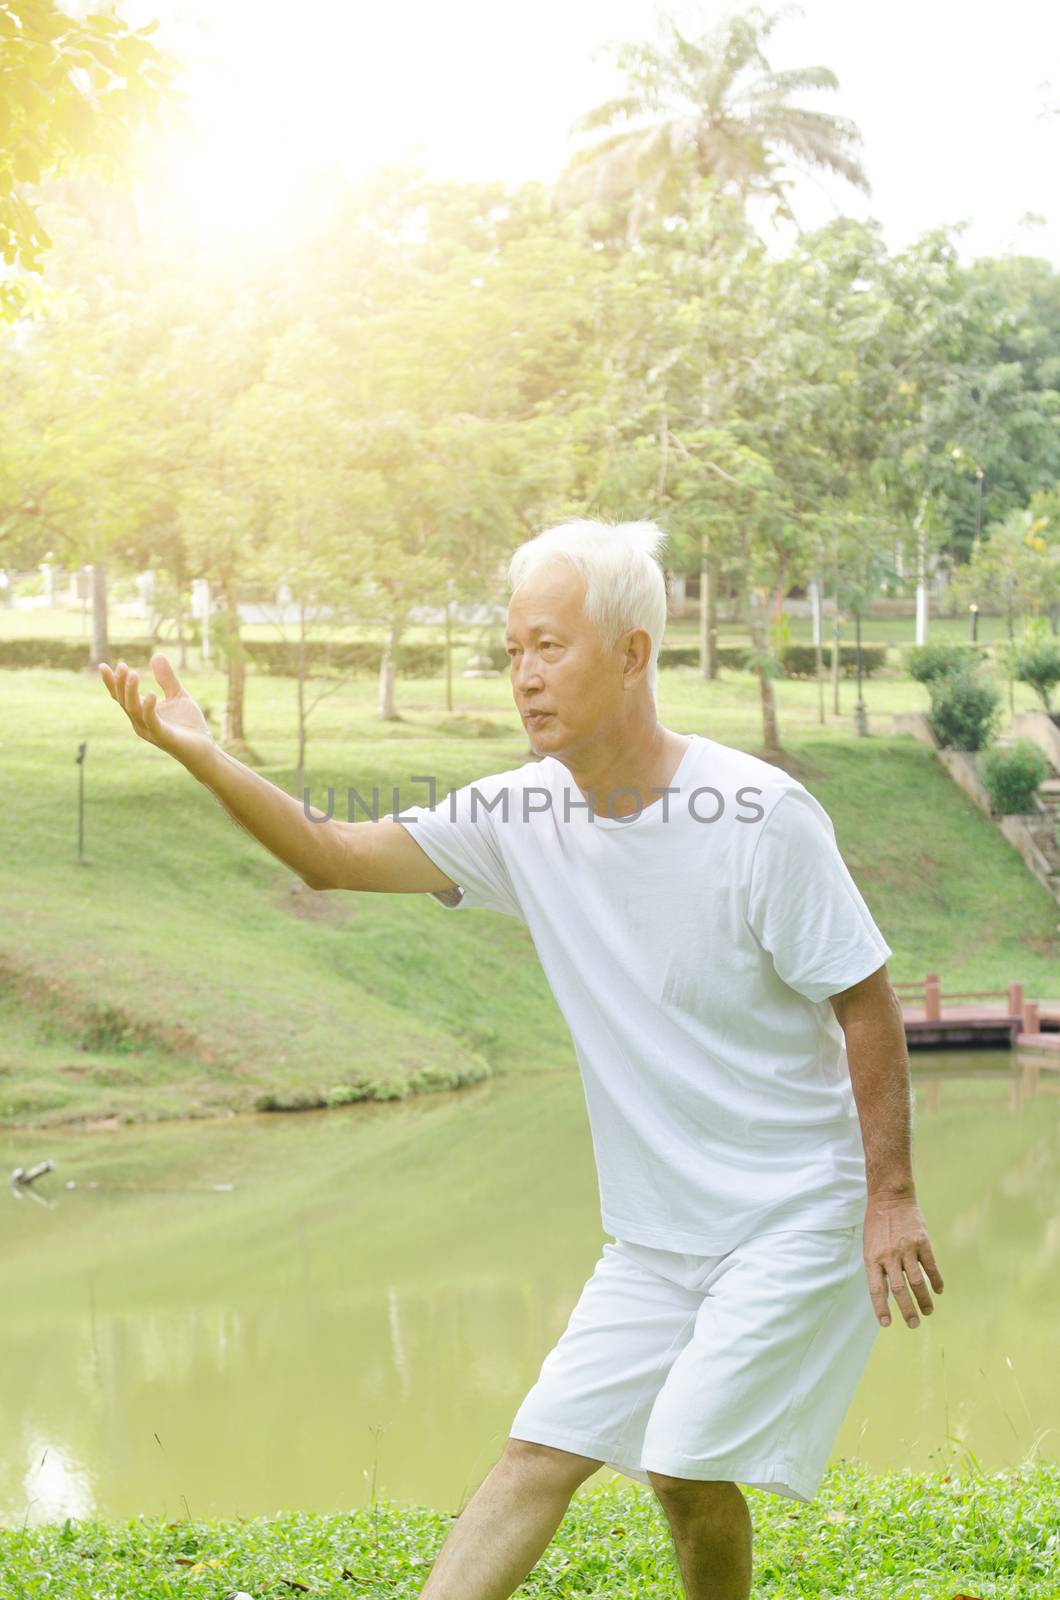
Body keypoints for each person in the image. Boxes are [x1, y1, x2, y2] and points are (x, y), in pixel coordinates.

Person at [100, 518, 943, 1600]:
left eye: (548, 646)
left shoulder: (759, 816)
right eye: (511, 652)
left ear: (633, 654)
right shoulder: (519, 813)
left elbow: (864, 999)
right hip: (654, 1236)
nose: (523, 677)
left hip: (792, 1210)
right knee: (537, 1454)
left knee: (683, 1459)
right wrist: (202, 752)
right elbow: (333, 850)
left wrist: (893, 1195)